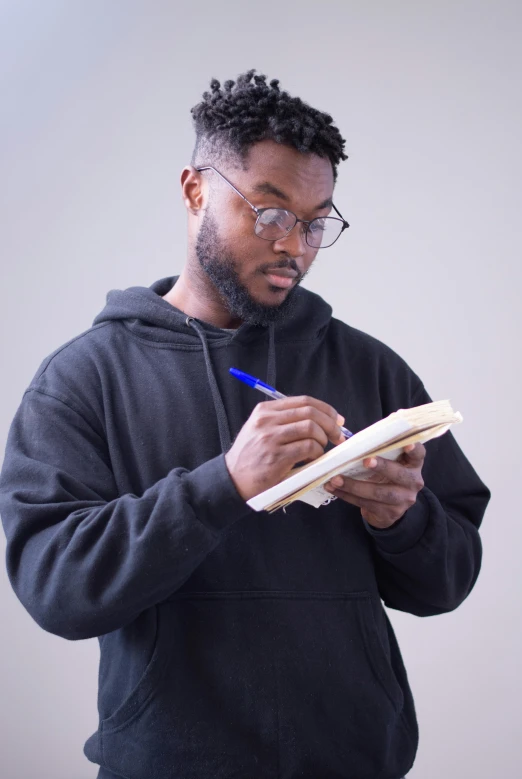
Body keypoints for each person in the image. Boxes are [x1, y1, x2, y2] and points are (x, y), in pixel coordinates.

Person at [0, 69, 490, 779]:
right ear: (196, 191)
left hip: (355, 763)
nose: (296, 244)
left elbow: (448, 580)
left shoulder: (370, 368)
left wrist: (402, 519)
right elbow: (56, 587)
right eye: (270, 212)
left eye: (317, 220)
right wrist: (224, 485)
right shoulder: (85, 377)